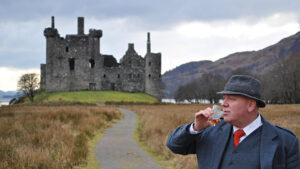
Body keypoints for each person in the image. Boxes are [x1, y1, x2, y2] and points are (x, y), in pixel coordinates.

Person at [166, 75, 300, 169]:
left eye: (231, 99)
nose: (223, 104)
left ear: (250, 105)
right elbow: (174, 145)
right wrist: (195, 128)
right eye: (224, 98)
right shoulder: (210, 129)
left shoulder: (286, 142)